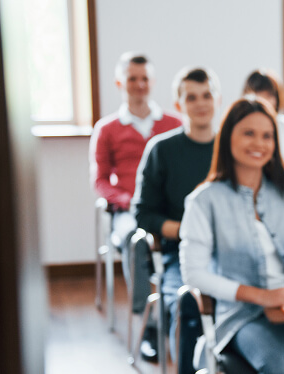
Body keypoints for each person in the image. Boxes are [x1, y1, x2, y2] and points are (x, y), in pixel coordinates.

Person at [179, 97, 284, 374]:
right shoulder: (204, 200)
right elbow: (194, 274)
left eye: (267, 136)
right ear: (227, 137)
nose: (259, 143)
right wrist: (263, 296)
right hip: (246, 313)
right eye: (249, 133)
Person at [89, 52, 181, 360]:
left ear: (152, 82)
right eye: (132, 79)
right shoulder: (107, 128)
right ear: (120, 83)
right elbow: (100, 180)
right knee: (135, 238)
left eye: (144, 79)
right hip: (128, 211)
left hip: (169, 210)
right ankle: (151, 322)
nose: (139, 85)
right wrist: (125, 200)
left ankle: (188, 316)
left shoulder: (173, 123)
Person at [132, 66, 220, 373]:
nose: (200, 103)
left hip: (229, 252)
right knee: (187, 304)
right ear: (179, 104)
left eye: (206, 95)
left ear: (217, 100)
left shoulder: (233, 148)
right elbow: (143, 213)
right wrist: (188, 231)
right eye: (191, 97)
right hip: (178, 253)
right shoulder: (161, 150)